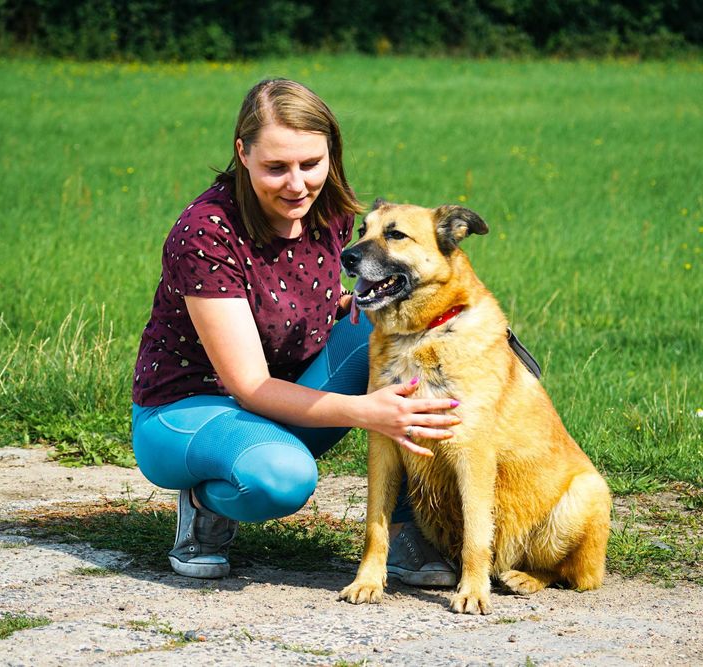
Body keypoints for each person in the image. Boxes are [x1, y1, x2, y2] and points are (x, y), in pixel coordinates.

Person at [131, 78, 460, 585]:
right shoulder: (206, 232)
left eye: (311, 163)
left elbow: (312, 299)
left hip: (287, 395)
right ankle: (205, 501)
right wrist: (369, 412)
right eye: (276, 167)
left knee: (406, 341)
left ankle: (403, 528)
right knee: (282, 479)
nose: (297, 183)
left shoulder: (326, 209)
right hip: (191, 408)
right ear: (242, 153)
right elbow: (249, 385)